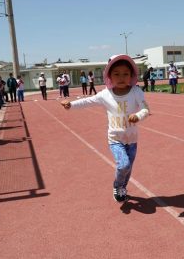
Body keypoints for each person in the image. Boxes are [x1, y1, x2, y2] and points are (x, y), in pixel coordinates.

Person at [61, 54, 150, 203]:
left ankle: (123, 187)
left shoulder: (136, 92)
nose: (121, 77)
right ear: (109, 76)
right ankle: (117, 185)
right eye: (116, 74)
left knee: (128, 168)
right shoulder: (105, 95)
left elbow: (146, 109)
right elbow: (88, 101)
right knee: (124, 164)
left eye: (125, 74)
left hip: (132, 139)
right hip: (115, 139)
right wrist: (71, 105)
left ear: (131, 75)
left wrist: (138, 116)